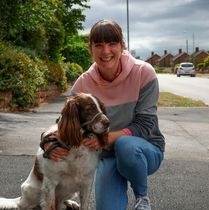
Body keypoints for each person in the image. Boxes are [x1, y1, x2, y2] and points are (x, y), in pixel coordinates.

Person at [42, 19, 165, 210]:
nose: (106, 51)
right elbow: (63, 121)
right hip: (107, 157)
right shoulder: (83, 84)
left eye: (112, 44)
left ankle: (142, 198)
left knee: (126, 146)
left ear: (122, 46)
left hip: (144, 150)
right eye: (99, 45)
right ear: (90, 48)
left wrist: (103, 139)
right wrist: (46, 138)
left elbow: (146, 125)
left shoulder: (144, 72)